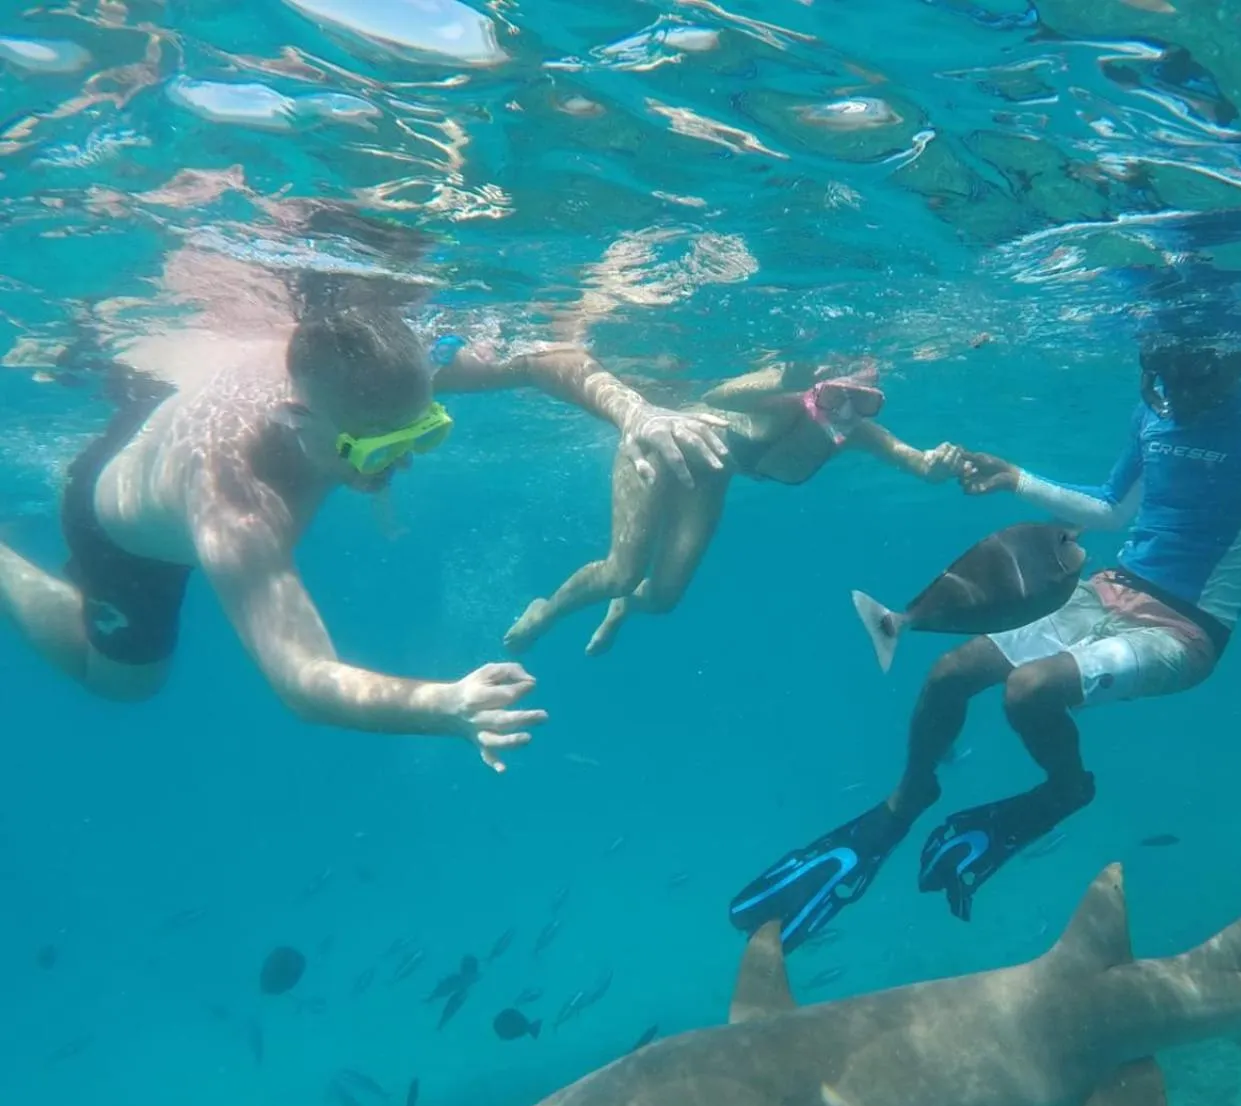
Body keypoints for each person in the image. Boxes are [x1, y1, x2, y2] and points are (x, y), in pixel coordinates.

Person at [729, 329, 1241, 947]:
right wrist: (1016, 478)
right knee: (948, 672)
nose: (1181, 397)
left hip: (1187, 629)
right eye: (1165, 378)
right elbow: (1109, 508)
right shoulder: (1155, 411)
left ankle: (1066, 790)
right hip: (1104, 589)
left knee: (1028, 692)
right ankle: (904, 803)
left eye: (1198, 379)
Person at [0, 296, 730, 773]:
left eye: (426, 433)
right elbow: (303, 681)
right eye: (378, 453)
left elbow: (543, 358)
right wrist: (445, 705)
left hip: (174, 416)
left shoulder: (378, 379)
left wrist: (638, 412)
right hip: (119, 532)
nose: (405, 460)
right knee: (125, 686)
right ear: (297, 419)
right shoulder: (237, 505)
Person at [503, 359, 965, 656]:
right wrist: (787, 374)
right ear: (816, 389)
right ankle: (545, 612)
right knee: (621, 571)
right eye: (833, 395)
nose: (843, 410)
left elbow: (917, 464)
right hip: (663, 448)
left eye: (862, 401)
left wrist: (938, 463)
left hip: (710, 477)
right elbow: (719, 397)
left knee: (662, 599)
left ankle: (624, 607)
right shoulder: (779, 402)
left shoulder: (854, 435)